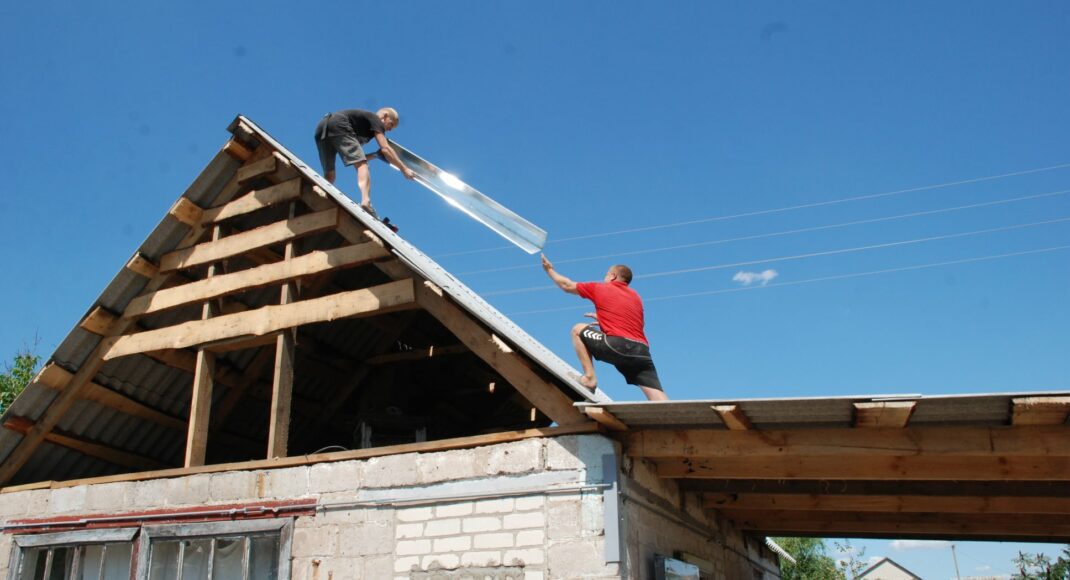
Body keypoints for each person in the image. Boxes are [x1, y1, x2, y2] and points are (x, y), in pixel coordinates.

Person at [540, 254, 668, 401]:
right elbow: (636, 324)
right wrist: (605, 321)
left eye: (606, 274)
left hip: (619, 345)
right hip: (642, 352)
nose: (604, 277)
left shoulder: (600, 288)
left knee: (578, 329)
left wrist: (549, 270)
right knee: (656, 395)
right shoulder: (636, 297)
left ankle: (589, 378)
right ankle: (677, 420)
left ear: (613, 276)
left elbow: (567, 285)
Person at [314, 107, 415, 216]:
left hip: (322, 128)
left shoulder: (362, 127)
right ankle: (366, 201)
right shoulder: (375, 120)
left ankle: (317, 195)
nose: (389, 129)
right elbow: (385, 148)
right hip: (339, 124)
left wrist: (375, 155)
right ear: (385, 116)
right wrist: (404, 169)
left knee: (329, 176)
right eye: (391, 124)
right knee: (363, 165)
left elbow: (357, 157)